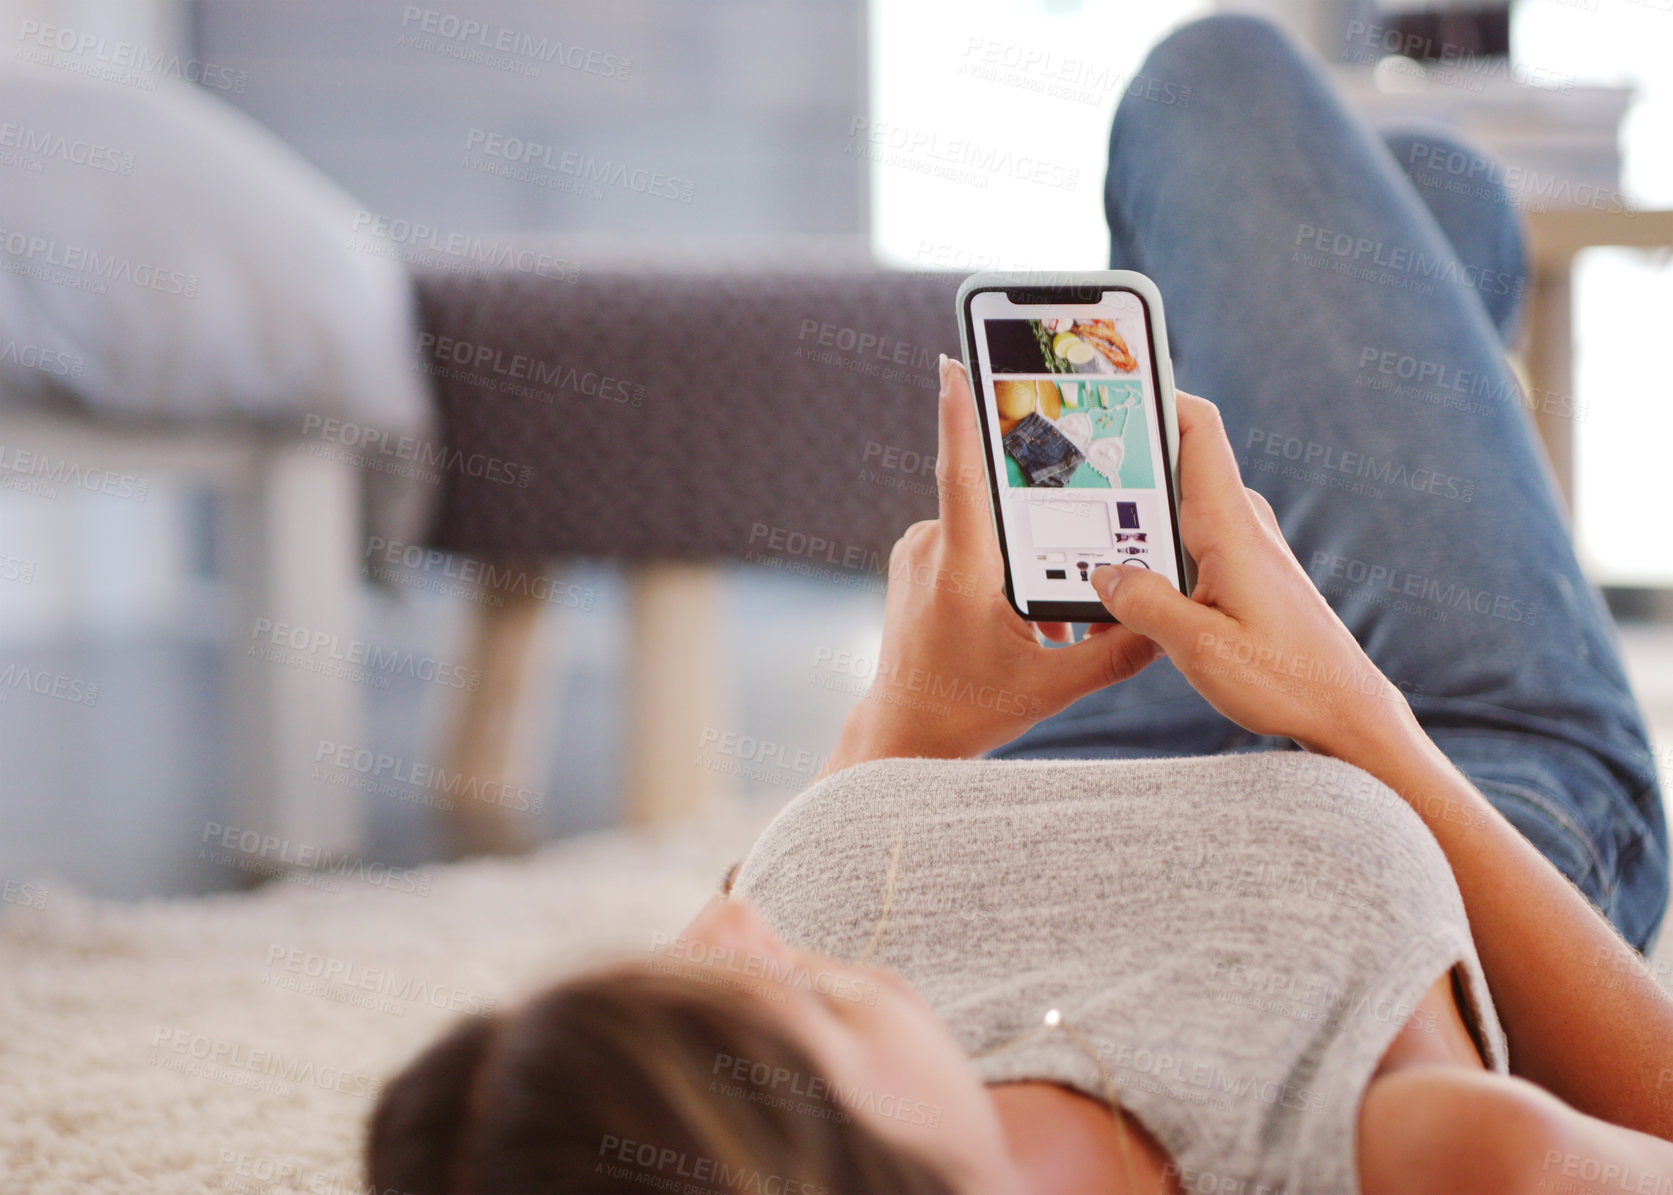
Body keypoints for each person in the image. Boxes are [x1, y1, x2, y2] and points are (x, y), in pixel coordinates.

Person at [366, 14, 1673, 1194]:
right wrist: (1355, 711)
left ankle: (1424, 269)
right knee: (1221, 90)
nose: (735, 930)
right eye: (805, 1014)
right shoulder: (1414, 1156)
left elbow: (749, 939)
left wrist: (905, 729)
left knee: (1397, 209)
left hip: (1041, 726)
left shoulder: (699, 1117)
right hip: (1439, 754)